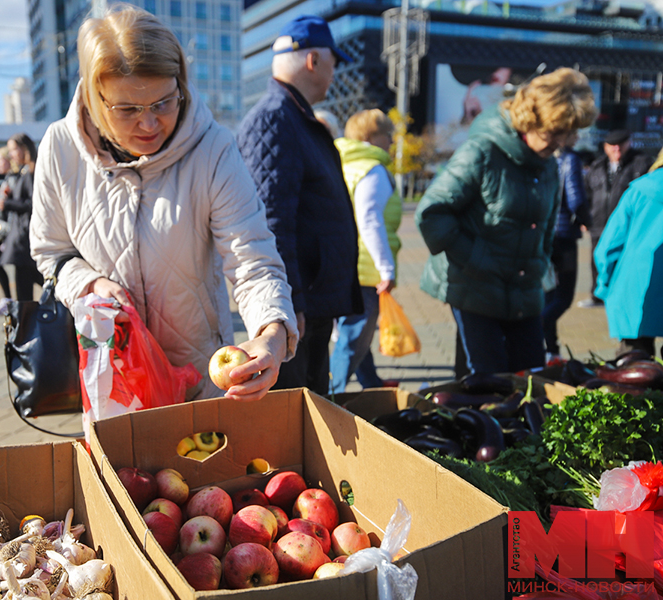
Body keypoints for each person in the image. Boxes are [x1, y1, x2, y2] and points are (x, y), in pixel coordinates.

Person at [29, 5, 298, 402]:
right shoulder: (60, 147)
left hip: (201, 380)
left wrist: (271, 332)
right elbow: (51, 252)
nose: (150, 123)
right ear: (94, 95)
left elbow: (251, 258)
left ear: (181, 85)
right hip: (115, 381)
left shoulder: (213, 149)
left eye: (164, 103)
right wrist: (89, 282)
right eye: (128, 110)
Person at [416, 67, 597, 376]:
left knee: (531, 381)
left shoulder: (547, 164)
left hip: (525, 290)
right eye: (555, 133)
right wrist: (477, 258)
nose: (563, 142)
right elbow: (432, 213)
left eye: (567, 134)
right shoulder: (482, 152)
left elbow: (548, 223)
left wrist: (540, 265)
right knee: (489, 386)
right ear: (532, 120)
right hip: (474, 289)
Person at [237, 15, 362, 396]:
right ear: (313, 61)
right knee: (294, 411)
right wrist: (289, 303)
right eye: (333, 62)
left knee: (312, 406)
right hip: (299, 307)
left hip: (311, 298)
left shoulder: (294, 116)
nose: (334, 72)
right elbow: (271, 221)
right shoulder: (276, 119)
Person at [329, 109, 401, 393]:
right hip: (365, 266)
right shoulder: (373, 169)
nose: (393, 142)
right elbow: (369, 220)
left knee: (355, 331)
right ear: (372, 136)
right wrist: (387, 269)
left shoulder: (345, 163)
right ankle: (331, 396)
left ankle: (371, 383)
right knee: (356, 332)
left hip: (342, 260)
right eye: (389, 135)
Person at [594, 147, 663, 358]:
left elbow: (608, 247)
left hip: (634, 286)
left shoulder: (638, 190)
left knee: (634, 371)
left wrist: (604, 286)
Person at [578, 128, 651, 308]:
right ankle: (598, 296)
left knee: (626, 261)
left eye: (621, 146)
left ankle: (624, 298)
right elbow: (586, 193)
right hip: (599, 222)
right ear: (605, 147)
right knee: (598, 259)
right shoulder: (597, 166)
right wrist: (583, 218)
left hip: (629, 224)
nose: (616, 150)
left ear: (629, 143)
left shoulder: (641, 163)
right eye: (613, 146)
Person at [542, 131, 591, 359]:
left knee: (548, 294)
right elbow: (576, 198)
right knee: (563, 297)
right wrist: (586, 221)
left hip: (544, 234)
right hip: (563, 235)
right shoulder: (570, 159)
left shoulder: (545, 157)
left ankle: (552, 350)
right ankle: (537, 328)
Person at [0, 133, 43, 303]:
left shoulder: (32, 171)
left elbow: (32, 204)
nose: (11, 155)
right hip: (21, 238)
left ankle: (26, 324)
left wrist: (8, 203)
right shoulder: (25, 171)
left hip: (24, 239)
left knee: (25, 291)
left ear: (24, 148)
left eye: (13, 150)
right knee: (27, 285)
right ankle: (26, 324)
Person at [0, 146, 18, 316]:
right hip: (7, 232)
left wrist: (5, 203)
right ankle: (9, 302)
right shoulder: (9, 179)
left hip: (12, 233)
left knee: (27, 273)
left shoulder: (14, 180)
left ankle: (10, 302)